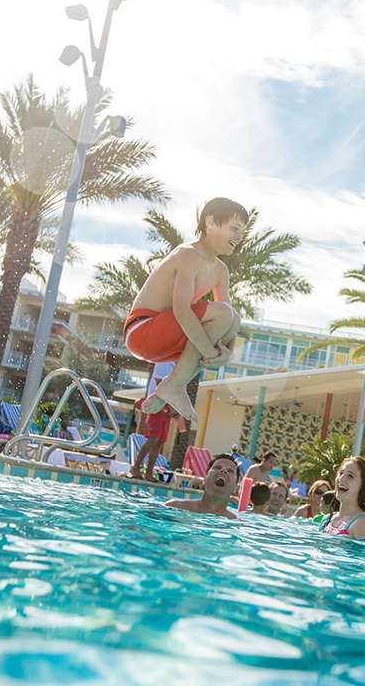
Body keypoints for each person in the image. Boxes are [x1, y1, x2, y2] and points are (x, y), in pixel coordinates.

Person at [125, 198, 247, 425]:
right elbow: (182, 311)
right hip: (141, 330)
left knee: (233, 317)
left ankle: (171, 387)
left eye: (242, 231)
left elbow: (231, 322)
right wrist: (212, 355)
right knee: (223, 314)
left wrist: (227, 354)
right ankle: (174, 384)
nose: (240, 237)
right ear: (210, 222)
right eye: (234, 228)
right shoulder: (188, 254)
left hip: (164, 338)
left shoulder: (221, 271)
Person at [318, 457, 365, 540]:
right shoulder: (327, 519)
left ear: (363, 487)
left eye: (350, 476)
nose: (341, 478)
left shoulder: (363, 523)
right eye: (341, 473)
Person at [165, 453, 240, 519]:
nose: (223, 470)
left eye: (230, 470)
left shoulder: (237, 526)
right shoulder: (173, 508)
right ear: (204, 480)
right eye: (217, 467)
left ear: (235, 488)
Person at [129, 393, 178, 481]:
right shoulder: (161, 378)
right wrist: (169, 408)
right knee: (153, 438)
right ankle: (135, 467)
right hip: (157, 409)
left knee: (160, 442)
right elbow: (160, 390)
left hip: (166, 412)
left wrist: (175, 409)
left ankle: (149, 473)